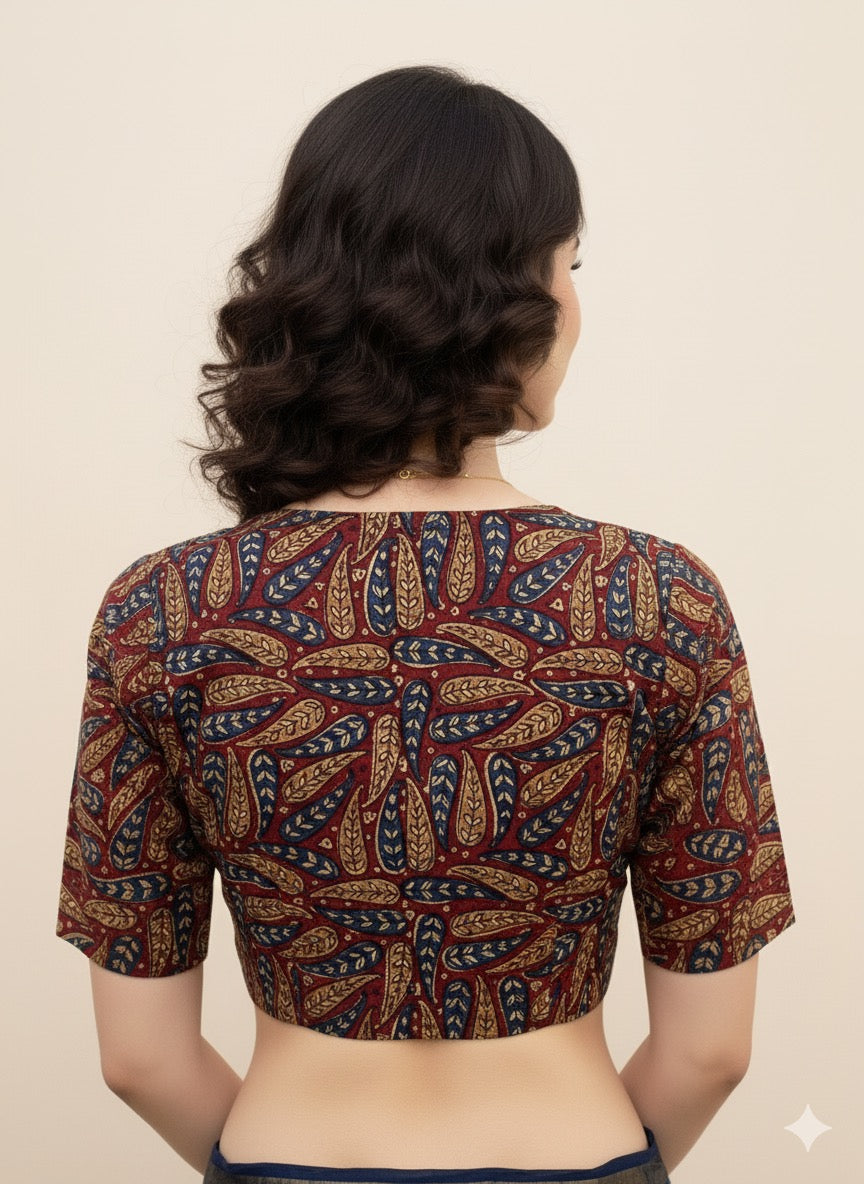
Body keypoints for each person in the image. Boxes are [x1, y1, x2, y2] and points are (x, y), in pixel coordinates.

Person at [55, 65, 796, 1184]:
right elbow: (710, 1050)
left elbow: (140, 1059)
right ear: (516, 298)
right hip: (575, 1151)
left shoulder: (165, 610)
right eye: (570, 265)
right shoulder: (655, 597)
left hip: (286, 1153)